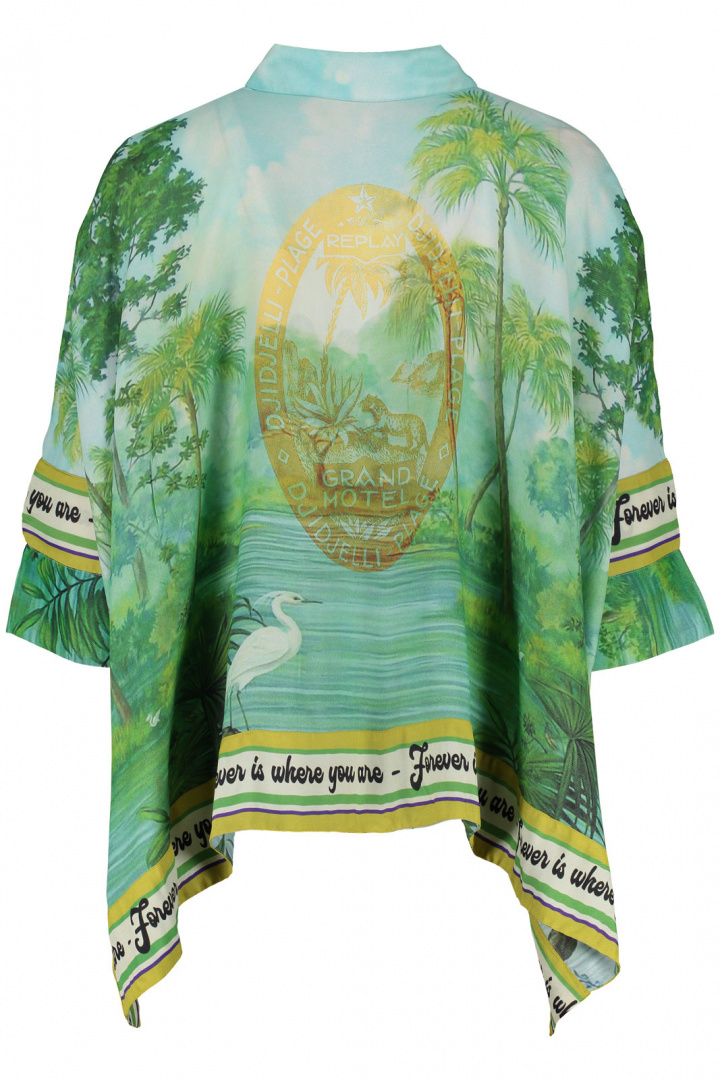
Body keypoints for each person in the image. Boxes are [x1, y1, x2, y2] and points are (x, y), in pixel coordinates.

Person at [6, 43, 714, 1033]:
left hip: (281, 959)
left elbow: (84, 566)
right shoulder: (574, 181)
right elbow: (620, 577)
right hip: (396, 957)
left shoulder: (150, 169)